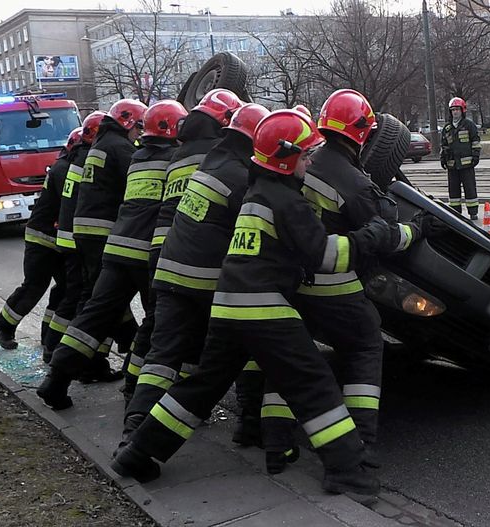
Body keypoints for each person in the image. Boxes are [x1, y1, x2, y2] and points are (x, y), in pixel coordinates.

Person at [111, 109, 410, 496]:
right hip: (264, 309)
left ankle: (137, 453)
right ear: (286, 159)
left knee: (201, 386)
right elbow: (326, 256)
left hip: (227, 307)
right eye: (305, 155)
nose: (310, 162)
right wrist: (374, 233)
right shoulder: (287, 202)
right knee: (314, 382)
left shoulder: (256, 192)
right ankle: (347, 471)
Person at [256, 89, 426, 475]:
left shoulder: (303, 160)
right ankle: (360, 442)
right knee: (365, 346)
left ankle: (275, 443)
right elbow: (383, 236)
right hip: (335, 288)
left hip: (290, 285)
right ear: (363, 132)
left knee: (290, 359)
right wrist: (416, 230)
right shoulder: (354, 182)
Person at [118, 102, 269, 449]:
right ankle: (250, 422)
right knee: (245, 346)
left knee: (163, 355)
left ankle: (134, 429)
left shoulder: (210, 161)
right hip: (206, 278)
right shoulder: (240, 176)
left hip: (170, 271)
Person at [122, 88, 243, 401]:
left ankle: (134, 387)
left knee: (160, 327)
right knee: (202, 329)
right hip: (195, 251)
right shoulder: (218, 151)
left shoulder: (179, 152)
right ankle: (180, 399)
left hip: (162, 249)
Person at [38, 99, 153, 409]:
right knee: (156, 316)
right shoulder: (122, 148)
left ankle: (57, 377)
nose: (139, 135)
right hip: (116, 237)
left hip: (99, 238)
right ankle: (136, 384)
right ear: (128, 122)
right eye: (138, 128)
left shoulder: (101, 144)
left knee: (97, 308)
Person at [0, 127, 77, 351]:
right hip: (42, 239)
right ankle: (4, 328)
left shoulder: (64, 165)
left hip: (58, 240)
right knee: (34, 286)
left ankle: (49, 334)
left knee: (66, 288)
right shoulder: (64, 170)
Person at [44, 111, 106, 356]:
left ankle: (52, 343)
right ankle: (55, 347)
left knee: (76, 293)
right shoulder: (87, 161)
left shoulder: (74, 161)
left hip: (70, 237)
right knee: (80, 295)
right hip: (78, 239)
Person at [440, 97, 481, 221]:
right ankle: (455, 214)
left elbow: (475, 141)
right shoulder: (447, 128)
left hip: (467, 165)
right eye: (453, 110)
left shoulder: (469, 125)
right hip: (452, 165)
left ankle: (473, 213)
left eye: (457, 109)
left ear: (462, 110)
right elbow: (444, 145)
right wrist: (443, 158)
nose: (455, 112)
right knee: (453, 192)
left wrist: (475, 156)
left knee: (470, 189)